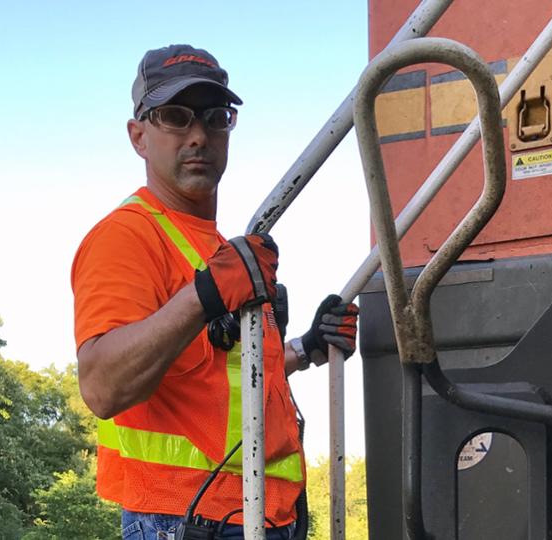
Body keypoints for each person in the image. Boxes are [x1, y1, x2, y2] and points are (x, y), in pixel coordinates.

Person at [71, 44, 359, 540]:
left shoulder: (223, 250)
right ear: (138, 136)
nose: (199, 136)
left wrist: (307, 349)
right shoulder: (127, 236)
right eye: (176, 118)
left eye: (216, 118)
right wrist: (203, 296)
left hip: (264, 516)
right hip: (183, 520)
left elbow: (221, 376)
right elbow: (102, 386)